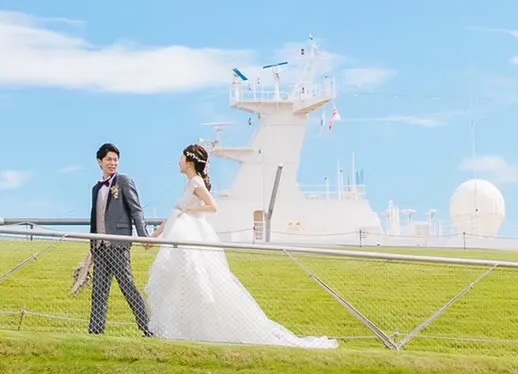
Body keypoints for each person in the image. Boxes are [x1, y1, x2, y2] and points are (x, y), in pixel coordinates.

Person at [145, 143, 336, 348]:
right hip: (182, 236)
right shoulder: (190, 184)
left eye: (182, 158)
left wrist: (191, 211)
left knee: (197, 281)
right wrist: (154, 236)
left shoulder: (196, 184)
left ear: (190, 162)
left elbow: (212, 206)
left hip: (191, 237)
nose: (179, 161)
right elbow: (174, 213)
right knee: (183, 284)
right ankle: (183, 330)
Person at [86, 143, 152, 336]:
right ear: (100, 162)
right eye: (109, 159)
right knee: (98, 291)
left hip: (118, 245)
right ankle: (95, 332)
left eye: (115, 159)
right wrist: (92, 246)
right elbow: (96, 218)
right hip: (100, 247)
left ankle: (148, 328)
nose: (112, 163)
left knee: (128, 286)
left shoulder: (123, 181)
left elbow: (136, 210)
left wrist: (143, 236)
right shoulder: (96, 189)